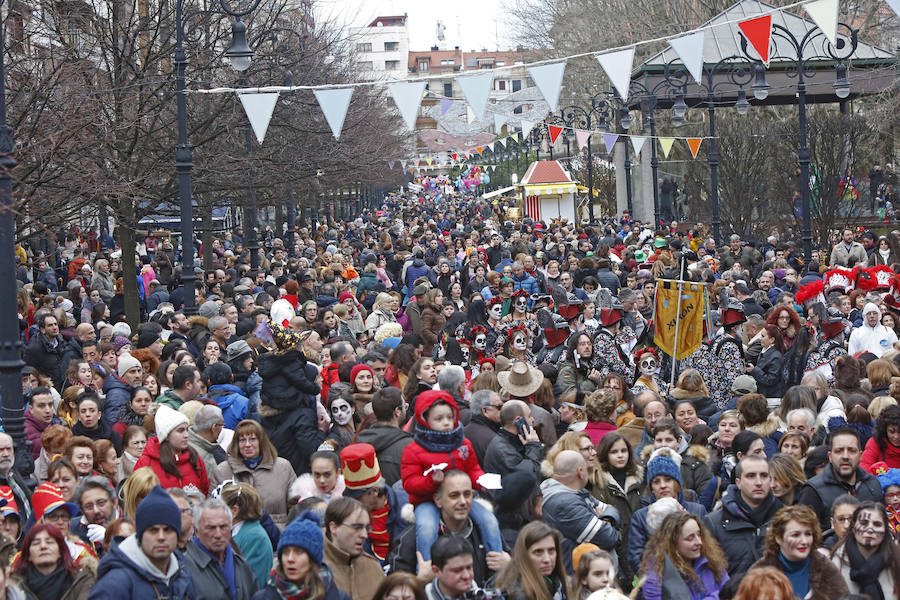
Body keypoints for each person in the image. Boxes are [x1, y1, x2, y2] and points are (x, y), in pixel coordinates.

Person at [399, 390, 502, 562]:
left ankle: (496, 564)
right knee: (427, 528)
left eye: (449, 417)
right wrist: (431, 481)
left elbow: (472, 469)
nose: (446, 422)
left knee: (489, 520)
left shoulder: (463, 443)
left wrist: (481, 481)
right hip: (427, 500)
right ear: (425, 420)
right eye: (439, 419)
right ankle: (426, 572)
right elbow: (409, 483)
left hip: (461, 496)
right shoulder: (413, 450)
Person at [387, 470, 509, 588]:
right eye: (454, 495)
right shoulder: (412, 539)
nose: (462, 501)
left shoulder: (486, 531)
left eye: (467, 494)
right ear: (438, 500)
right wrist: (420, 581)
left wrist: (510, 565)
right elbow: (393, 590)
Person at [89, 485, 196, 599]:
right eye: (153, 530)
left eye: (168, 530)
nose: (161, 537)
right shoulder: (115, 584)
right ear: (140, 535)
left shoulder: (183, 575)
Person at [627, 450, 707, 574]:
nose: (663, 485)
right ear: (651, 487)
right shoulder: (641, 516)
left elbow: (707, 548)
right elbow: (636, 557)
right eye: (656, 481)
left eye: (668, 479)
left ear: (677, 483)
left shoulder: (697, 510)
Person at [540, 450, 619, 572]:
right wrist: (606, 521)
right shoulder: (564, 503)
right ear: (580, 472)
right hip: (581, 577)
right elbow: (608, 538)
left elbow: (611, 509)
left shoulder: (574, 491)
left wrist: (605, 519)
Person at [749, 505, 849, 600]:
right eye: (795, 535)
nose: (804, 541)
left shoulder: (827, 572)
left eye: (808, 534)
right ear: (779, 538)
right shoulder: (759, 573)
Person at [704, 455, 782, 577]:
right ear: (738, 483)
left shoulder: (785, 518)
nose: (758, 482)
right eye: (751, 476)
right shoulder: (714, 522)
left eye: (764, 476)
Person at [795, 427, 882, 531]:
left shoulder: (872, 484)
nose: (845, 456)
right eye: (839, 451)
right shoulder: (813, 491)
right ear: (830, 456)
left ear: (860, 455)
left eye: (851, 450)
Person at [213, 420, 296, 527]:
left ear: (261, 441)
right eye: (242, 440)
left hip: (278, 536)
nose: (247, 445)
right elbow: (213, 508)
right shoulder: (223, 471)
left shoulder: (283, 467)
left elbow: (296, 507)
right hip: (238, 536)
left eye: (252, 439)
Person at [251, 511, 349, 600]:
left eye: (298, 552)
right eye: (285, 552)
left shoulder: (339, 597)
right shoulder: (261, 597)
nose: (290, 559)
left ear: (313, 559)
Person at [338, 444, 409, 563]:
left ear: (375, 491)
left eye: (358, 497)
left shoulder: (406, 507)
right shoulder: (350, 515)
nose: (354, 502)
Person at [638, 512, 729, 600]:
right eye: (690, 538)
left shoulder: (712, 562)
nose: (699, 542)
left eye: (699, 534)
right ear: (672, 543)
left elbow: (730, 593)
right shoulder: (656, 573)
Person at [184, 498, 259, 600]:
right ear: (197, 531)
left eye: (223, 527)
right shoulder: (184, 568)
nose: (218, 534)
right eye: (211, 528)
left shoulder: (241, 565)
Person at [134, 404, 210, 496]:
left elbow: (204, 492)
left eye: (187, 430)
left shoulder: (195, 459)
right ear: (166, 435)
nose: (186, 435)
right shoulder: (146, 462)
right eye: (180, 431)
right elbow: (137, 497)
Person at [830, 500, 900, 599]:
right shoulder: (835, 564)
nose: (870, 529)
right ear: (853, 526)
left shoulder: (896, 561)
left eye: (877, 524)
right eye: (864, 523)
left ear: (885, 529)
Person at [12, 524, 96, 600]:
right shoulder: (15, 586)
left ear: (61, 550)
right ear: (28, 554)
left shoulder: (81, 580)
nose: (43, 546)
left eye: (50, 542)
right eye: (36, 543)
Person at [322, 497, 385, 600]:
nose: (364, 535)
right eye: (357, 527)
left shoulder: (373, 567)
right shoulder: (313, 567)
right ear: (334, 528)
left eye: (367, 528)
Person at [494, 522, 572, 600]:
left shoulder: (555, 581)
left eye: (551, 550)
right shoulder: (519, 595)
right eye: (538, 552)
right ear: (524, 555)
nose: (547, 559)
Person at [220, 483, 273, 591]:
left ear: (234, 510)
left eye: (222, 507)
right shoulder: (237, 531)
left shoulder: (255, 537)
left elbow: (250, 582)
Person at [355, 388, 412, 486]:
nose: (406, 410)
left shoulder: (360, 443)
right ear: (397, 411)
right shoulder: (409, 446)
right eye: (404, 406)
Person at [483, 400, 544, 478]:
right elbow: (527, 477)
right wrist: (533, 447)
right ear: (518, 420)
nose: (533, 420)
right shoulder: (503, 449)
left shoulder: (516, 440)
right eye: (529, 416)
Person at [463, 390, 502, 466]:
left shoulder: (463, 432)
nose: (502, 410)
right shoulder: (493, 439)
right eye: (499, 407)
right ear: (485, 411)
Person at [862, 404, 900, 473]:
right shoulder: (875, 443)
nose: (896, 436)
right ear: (885, 429)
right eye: (892, 431)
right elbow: (864, 469)